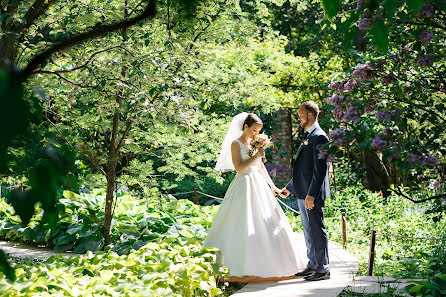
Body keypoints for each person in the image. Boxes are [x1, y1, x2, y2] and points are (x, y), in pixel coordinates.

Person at [204, 113, 306, 282]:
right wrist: (256, 156)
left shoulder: (254, 143)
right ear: (245, 127)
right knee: (242, 222)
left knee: (266, 221)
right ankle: (239, 267)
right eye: (253, 130)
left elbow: (261, 167)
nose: (256, 134)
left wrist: (272, 186)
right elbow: (239, 167)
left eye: (258, 131)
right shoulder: (235, 144)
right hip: (243, 184)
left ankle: (270, 265)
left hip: (258, 183)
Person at [280, 101, 331, 281]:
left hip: (312, 194)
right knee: (308, 231)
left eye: (301, 114)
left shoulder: (320, 137)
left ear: (310, 115)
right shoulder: (308, 135)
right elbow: (303, 169)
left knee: (317, 229)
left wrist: (312, 194)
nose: (299, 117)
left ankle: (323, 269)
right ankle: (312, 265)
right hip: (302, 192)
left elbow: (320, 169)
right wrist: (289, 187)